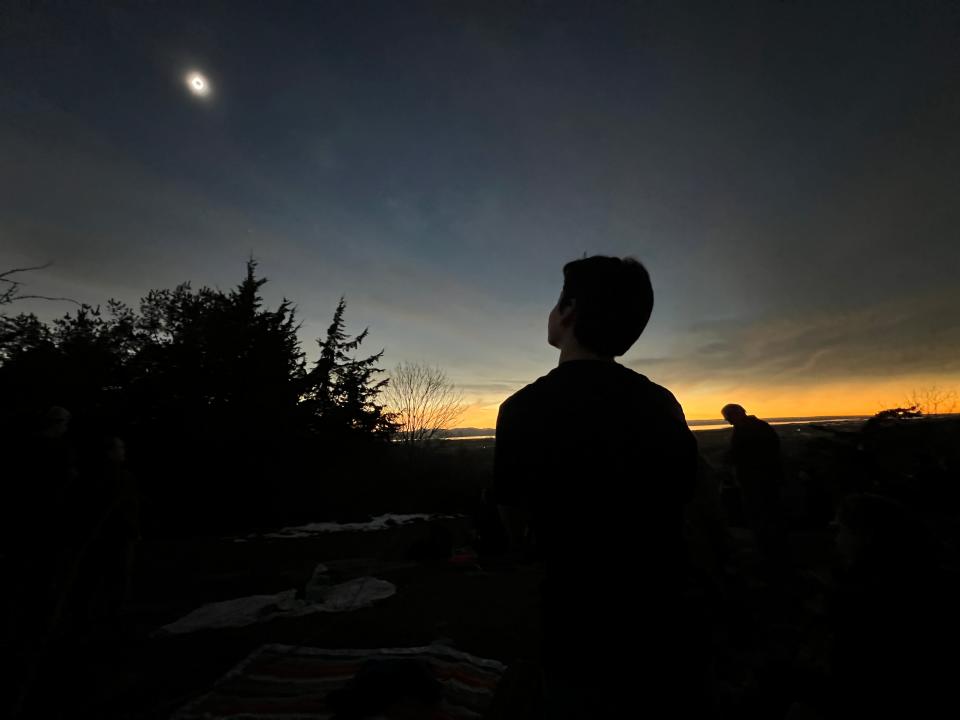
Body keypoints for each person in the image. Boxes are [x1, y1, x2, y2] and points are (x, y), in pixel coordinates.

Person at [493, 256, 702, 717]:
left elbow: (511, 508)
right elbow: (688, 493)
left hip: (576, 617)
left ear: (567, 312)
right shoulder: (661, 403)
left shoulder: (523, 408)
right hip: (661, 609)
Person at [721, 404, 787, 572]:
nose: (727, 421)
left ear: (738, 413)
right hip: (761, 479)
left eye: (728, 416)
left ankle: (770, 556)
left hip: (758, 480)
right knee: (766, 516)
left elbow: (745, 454)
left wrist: (731, 460)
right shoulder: (757, 427)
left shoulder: (749, 429)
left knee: (761, 516)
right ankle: (773, 553)